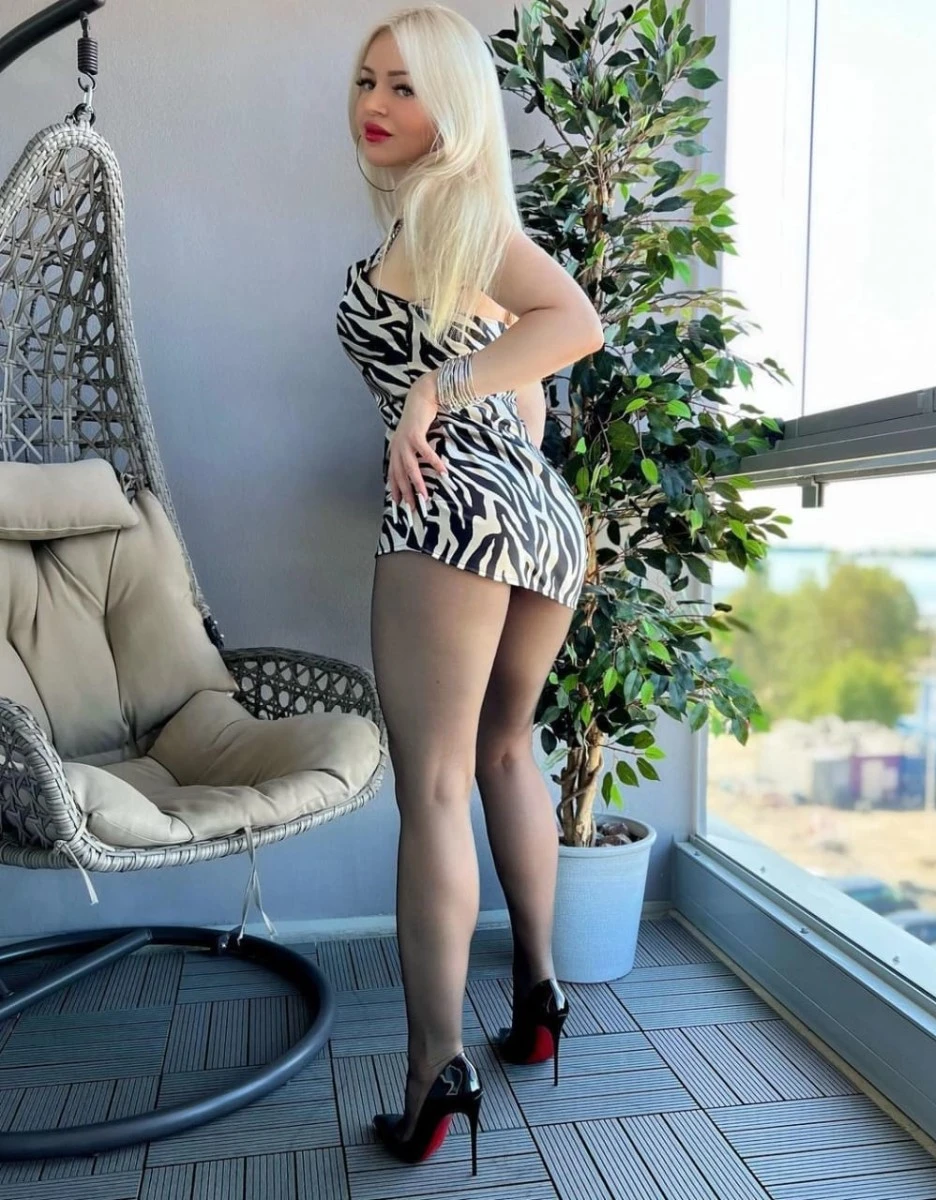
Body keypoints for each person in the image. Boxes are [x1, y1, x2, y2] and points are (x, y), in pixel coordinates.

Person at [334, 3, 603, 1176]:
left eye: (404, 84)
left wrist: (426, 393)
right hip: (537, 512)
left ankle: (430, 1071)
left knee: (435, 785)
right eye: (365, 80)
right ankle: (538, 996)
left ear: (453, 107)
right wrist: (467, 407)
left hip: (452, 509)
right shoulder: (456, 223)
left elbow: (574, 322)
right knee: (503, 752)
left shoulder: (450, 209)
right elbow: (528, 398)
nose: (374, 103)